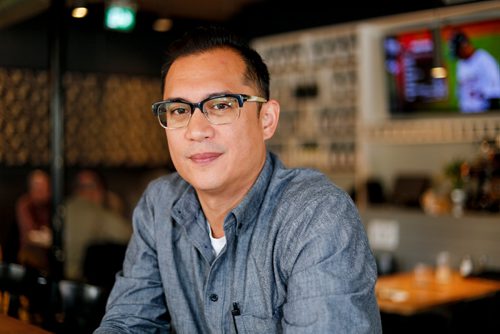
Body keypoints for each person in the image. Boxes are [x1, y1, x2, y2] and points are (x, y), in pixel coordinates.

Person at [95, 25, 381, 333]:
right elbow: (128, 323)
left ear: (267, 120)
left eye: (220, 106)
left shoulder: (315, 215)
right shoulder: (159, 204)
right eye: (179, 110)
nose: (196, 130)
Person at [64, 169, 132, 282]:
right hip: (83, 284)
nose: (88, 192)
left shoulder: (65, 207)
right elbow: (129, 234)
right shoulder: (96, 213)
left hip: (62, 279)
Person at [449, 29, 500, 113]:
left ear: (464, 46)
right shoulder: (461, 63)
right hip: (467, 113)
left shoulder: (484, 59)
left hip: (483, 113)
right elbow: (460, 89)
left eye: (458, 52)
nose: (458, 56)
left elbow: (494, 93)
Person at [15, 169, 52, 274]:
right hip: (31, 253)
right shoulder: (25, 204)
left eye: (43, 186)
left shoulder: (54, 203)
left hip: (52, 252)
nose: (40, 190)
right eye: (37, 187)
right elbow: (29, 234)